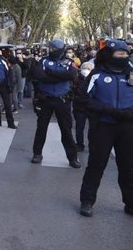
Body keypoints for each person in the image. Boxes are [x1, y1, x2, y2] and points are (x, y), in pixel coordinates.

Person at [77, 40, 133, 217]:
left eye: (126, 55)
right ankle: (87, 201)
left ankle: (130, 203)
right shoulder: (97, 75)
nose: (123, 58)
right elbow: (83, 99)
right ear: (110, 55)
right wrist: (108, 110)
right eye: (119, 54)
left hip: (127, 127)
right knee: (96, 165)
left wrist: (128, 113)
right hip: (103, 127)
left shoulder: (131, 74)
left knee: (128, 167)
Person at [29, 39, 81, 168]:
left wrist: (51, 73)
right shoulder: (43, 61)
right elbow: (39, 75)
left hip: (63, 100)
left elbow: (72, 75)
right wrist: (60, 76)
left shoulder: (69, 62)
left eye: (55, 49)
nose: (52, 51)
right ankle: (37, 153)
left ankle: (72, 158)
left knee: (66, 130)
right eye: (50, 48)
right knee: (41, 128)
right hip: (45, 99)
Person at [73, 61, 94, 152]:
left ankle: (92, 145)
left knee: (92, 128)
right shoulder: (76, 79)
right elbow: (73, 91)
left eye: (89, 69)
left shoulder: (94, 80)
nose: (86, 70)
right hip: (79, 107)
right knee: (79, 127)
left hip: (91, 108)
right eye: (85, 68)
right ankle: (79, 144)